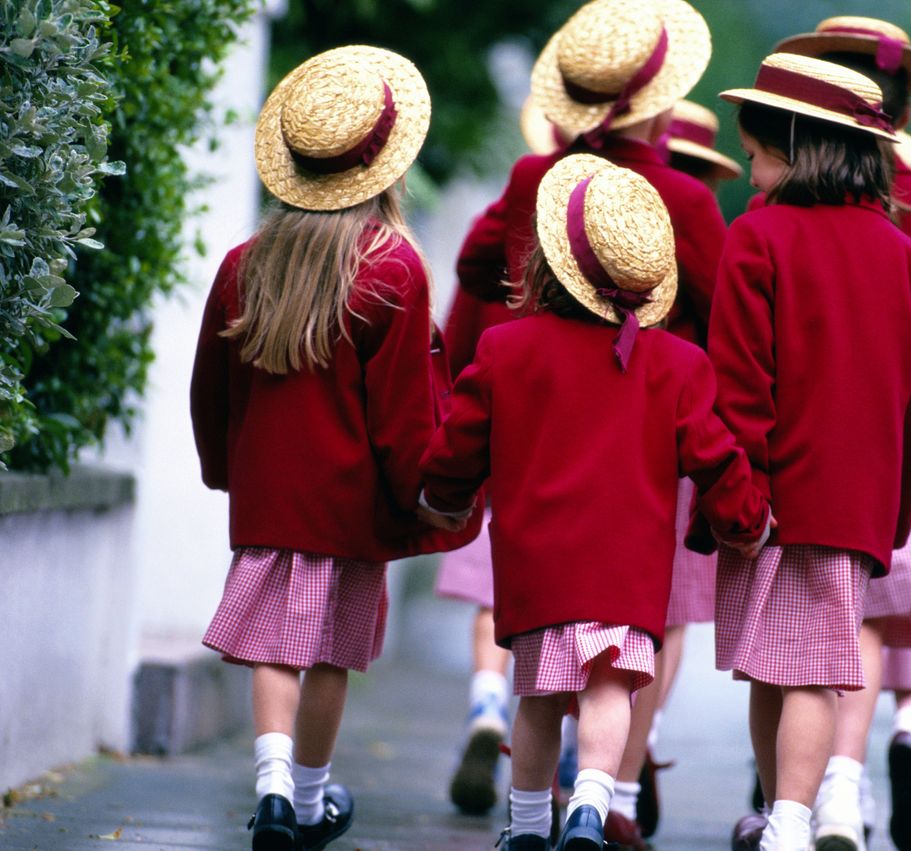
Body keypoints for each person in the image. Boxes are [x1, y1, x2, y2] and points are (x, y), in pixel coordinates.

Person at [418, 153, 773, 851]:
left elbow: (458, 445)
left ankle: (525, 823)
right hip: (629, 570)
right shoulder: (678, 364)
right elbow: (714, 455)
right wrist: (747, 521)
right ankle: (590, 804)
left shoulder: (506, 347)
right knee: (611, 689)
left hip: (541, 565)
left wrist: (440, 497)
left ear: (551, 262)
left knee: (540, 698)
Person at [439, 2, 724, 844]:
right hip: (651, 442)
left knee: (539, 651)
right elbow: (722, 322)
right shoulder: (687, 200)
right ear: (662, 104)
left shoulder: (539, 180)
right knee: (638, 632)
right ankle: (614, 797)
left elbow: (471, 266)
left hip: (544, 433)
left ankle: (530, 815)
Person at [190, 46, 479, 851]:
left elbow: (210, 391)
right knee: (326, 656)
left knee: (274, 650)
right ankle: (310, 800)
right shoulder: (392, 269)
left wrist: (227, 472)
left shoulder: (245, 265)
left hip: (268, 498)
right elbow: (400, 418)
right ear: (383, 166)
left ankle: (273, 785)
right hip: (347, 505)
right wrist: (422, 497)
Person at [708, 53, 911, 851]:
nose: (750, 174)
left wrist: (736, 498)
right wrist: (897, 506)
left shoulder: (756, 240)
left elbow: (740, 386)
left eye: (754, 156)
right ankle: (785, 817)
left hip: (765, 498)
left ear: (795, 147)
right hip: (853, 507)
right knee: (809, 664)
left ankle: (781, 818)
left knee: (773, 669)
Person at [774, 17, 911, 851]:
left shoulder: (779, 207)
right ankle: (847, 777)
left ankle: (813, 789)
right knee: (866, 621)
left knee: (815, 635)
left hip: (801, 456)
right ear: (902, 115)